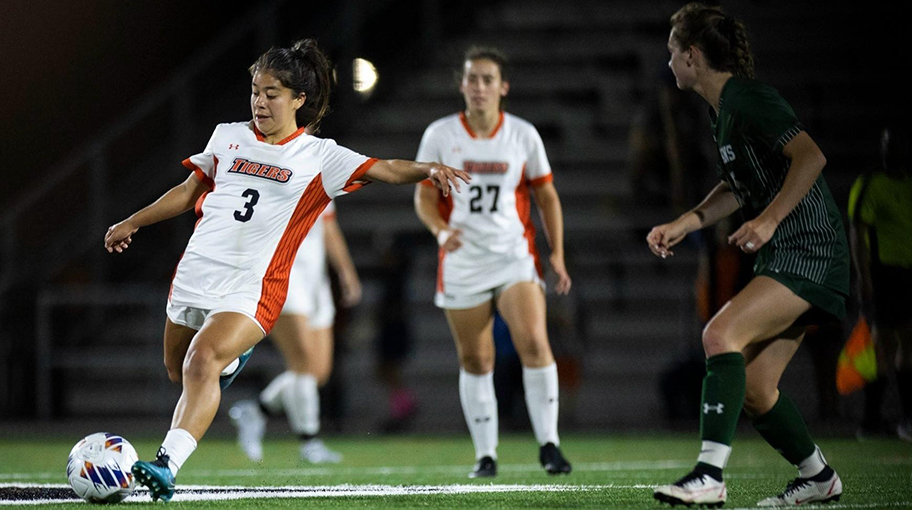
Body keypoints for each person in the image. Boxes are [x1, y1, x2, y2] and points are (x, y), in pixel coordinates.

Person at [103, 39, 470, 502]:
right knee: (179, 372)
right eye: (256, 90)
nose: (260, 101)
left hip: (253, 288)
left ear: (299, 99)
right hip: (195, 275)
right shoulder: (227, 135)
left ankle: (165, 465)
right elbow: (187, 189)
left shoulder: (320, 156)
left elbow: (387, 169)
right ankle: (231, 361)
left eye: (272, 92)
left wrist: (428, 169)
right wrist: (133, 220)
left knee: (202, 362)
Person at [647, 4, 849, 507]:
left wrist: (770, 219)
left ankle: (709, 475)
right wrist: (686, 222)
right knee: (758, 389)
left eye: (672, 50)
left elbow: (811, 156)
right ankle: (819, 477)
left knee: (720, 334)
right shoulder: (724, 111)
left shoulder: (750, 98)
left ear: (692, 55)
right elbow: (736, 188)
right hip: (792, 252)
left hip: (809, 250)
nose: (668, 60)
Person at [413, 46, 573, 478]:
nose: (480, 87)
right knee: (476, 361)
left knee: (535, 344)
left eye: (488, 79)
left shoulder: (522, 134)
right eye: (472, 79)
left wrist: (556, 253)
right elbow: (424, 196)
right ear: (462, 85)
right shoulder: (441, 135)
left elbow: (546, 196)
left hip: (512, 257)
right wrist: (441, 231)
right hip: (463, 260)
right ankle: (486, 455)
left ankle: (550, 445)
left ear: (503, 87)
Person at [228, 200, 360, 464]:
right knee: (302, 364)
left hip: (315, 280)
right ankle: (309, 442)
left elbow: (328, 224)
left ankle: (256, 410)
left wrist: (346, 271)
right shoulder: (270, 170)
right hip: (282, 276)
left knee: (317, 372)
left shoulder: (320, 168)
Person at [847, 125, 912, 441]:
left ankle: (905, 419)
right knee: (882, 343)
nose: (892, 150)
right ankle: (871, 419)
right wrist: (864, 278)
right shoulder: (869, 184)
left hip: (908, 274)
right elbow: (857, 233)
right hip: (883, 272)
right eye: (887, 144)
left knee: (907, 343)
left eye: (897, 144)